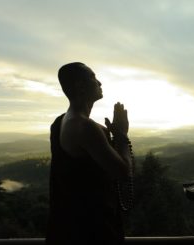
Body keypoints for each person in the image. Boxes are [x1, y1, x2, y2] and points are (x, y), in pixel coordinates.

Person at [46, 62, 132, 244]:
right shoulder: (84, 126)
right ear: (80, 86)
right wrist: (122, 134)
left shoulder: (61, 122)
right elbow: (123, 172)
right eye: (93, 77)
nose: (99, 82)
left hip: (68, 227)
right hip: (91, 230)